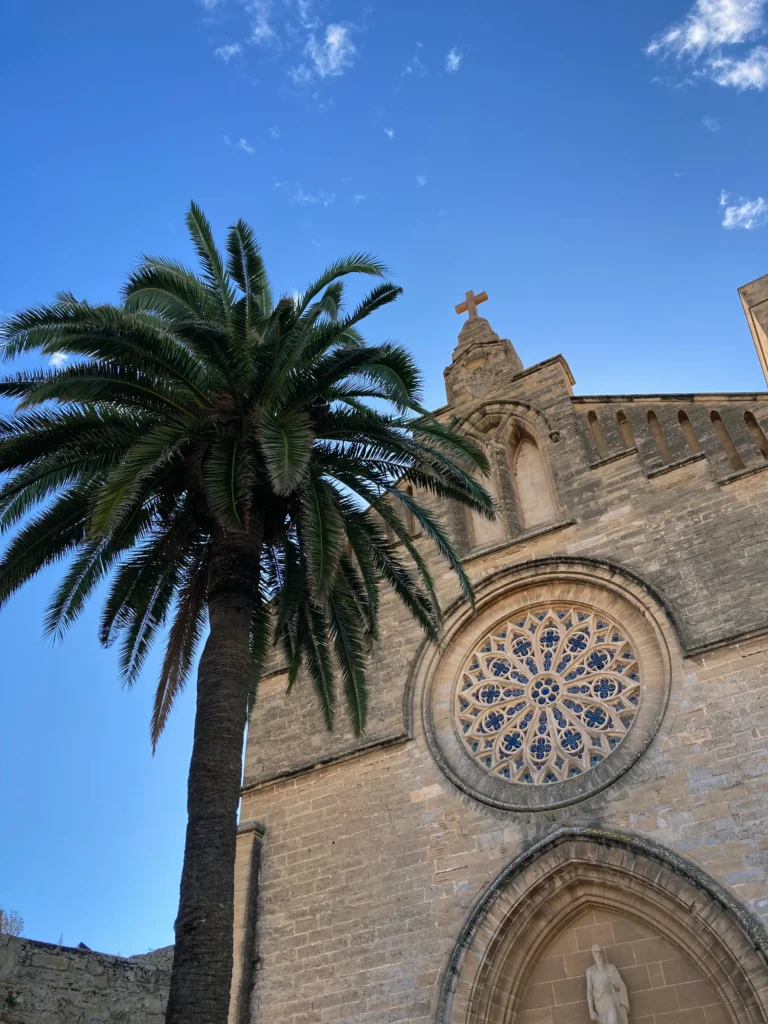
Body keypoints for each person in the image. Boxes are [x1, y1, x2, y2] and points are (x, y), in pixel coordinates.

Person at [585, 943, 629, 1024]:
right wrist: (591, 1010)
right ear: (592, 954)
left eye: (600, 952)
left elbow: (621, 986)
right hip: (600, 1003)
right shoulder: (590, 971)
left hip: (611, 999)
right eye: (596, 952)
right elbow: (589, 991)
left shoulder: (611, 967)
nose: (598, 954)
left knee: (612, 1019)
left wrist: (615, 983)